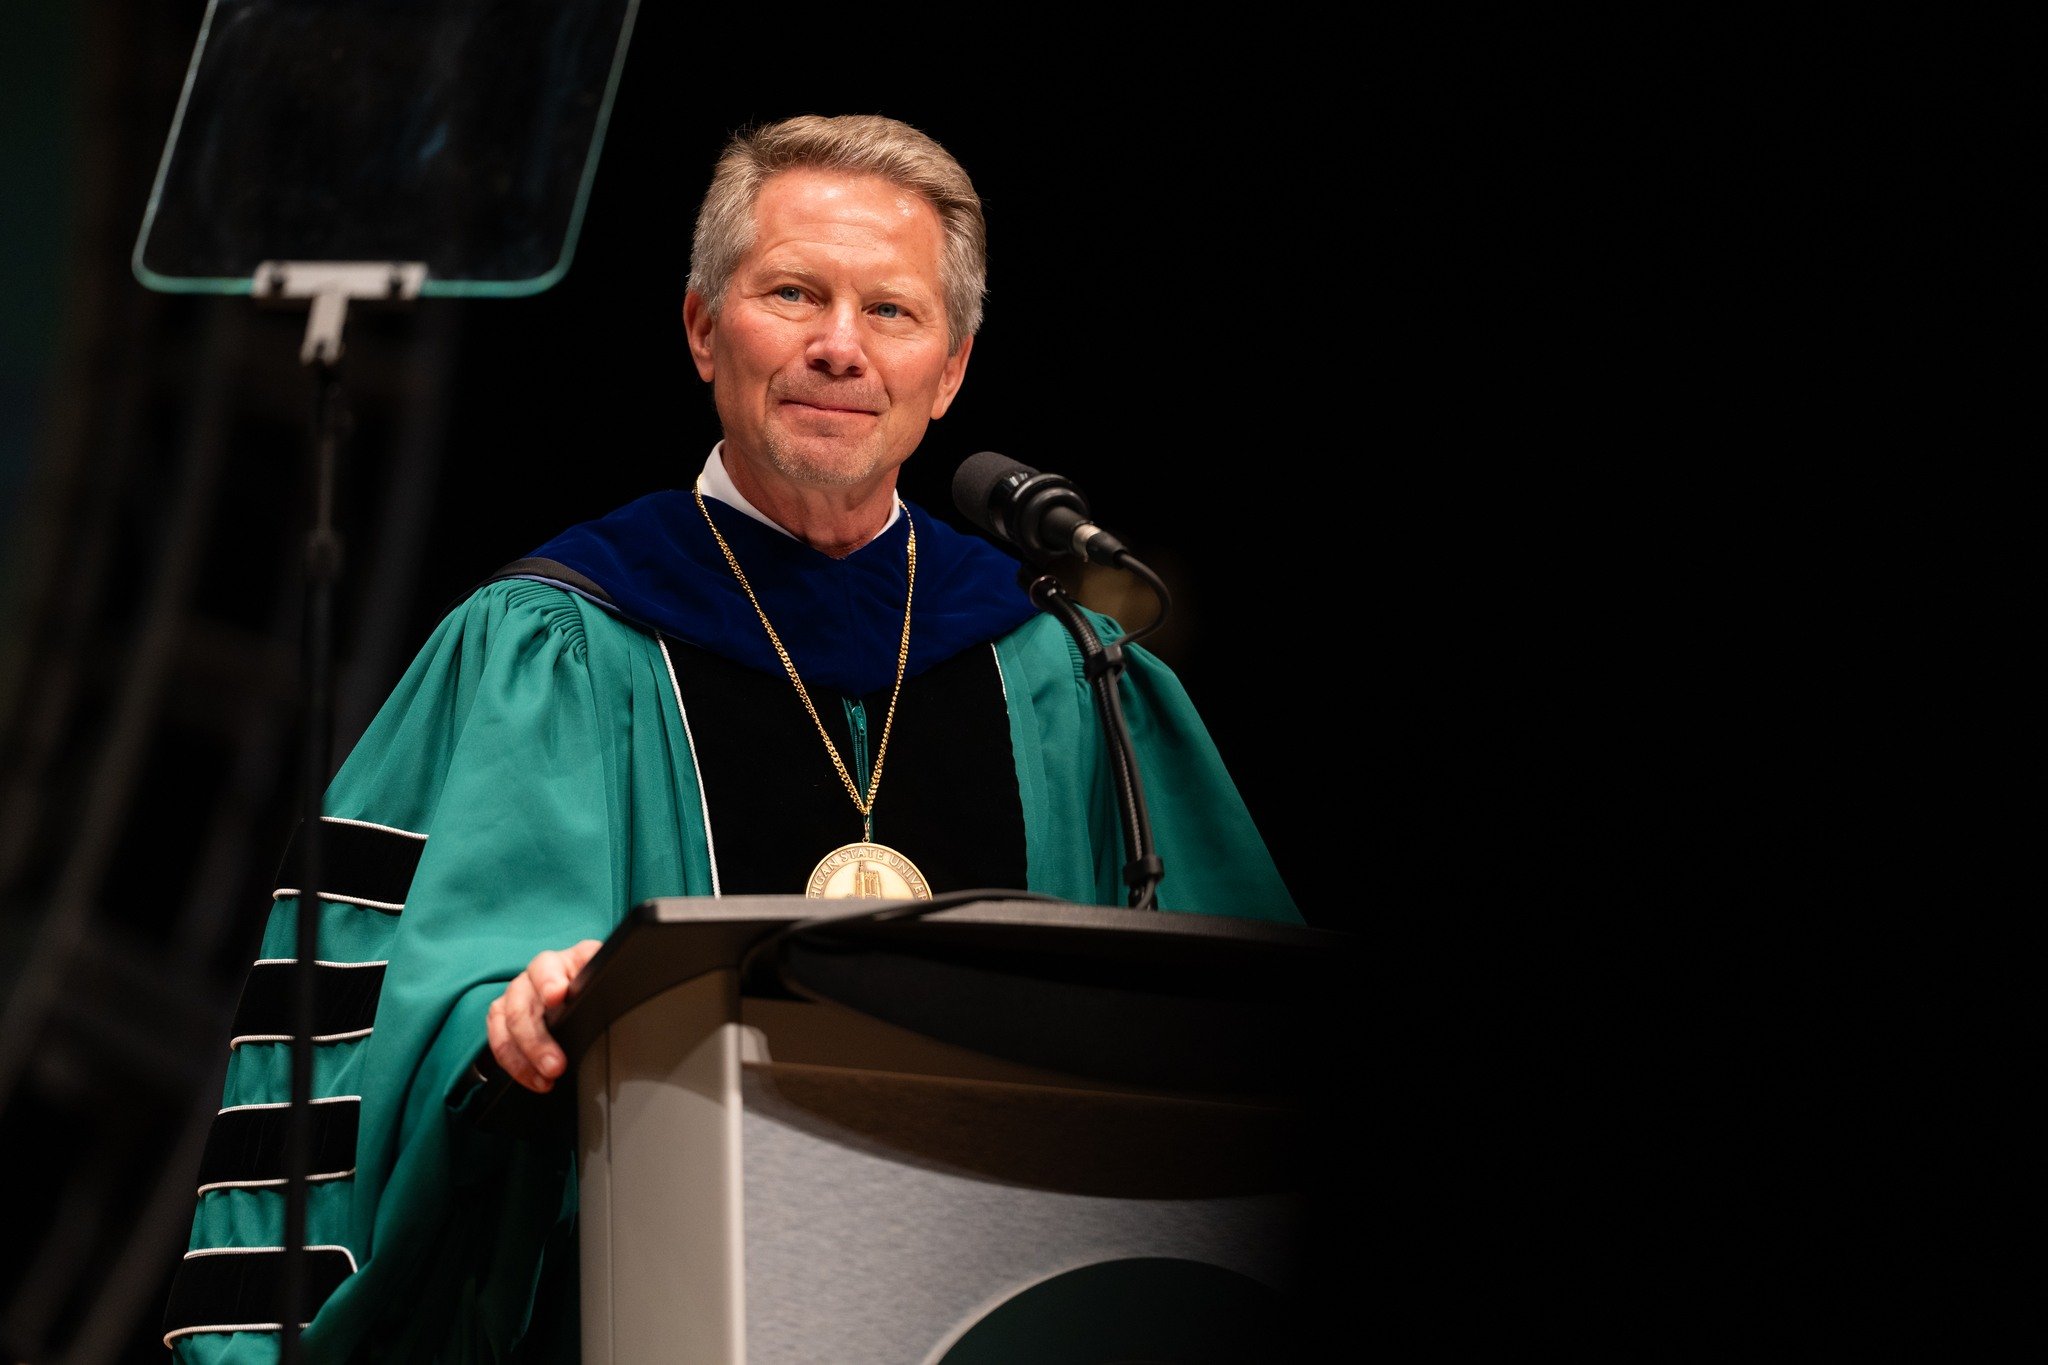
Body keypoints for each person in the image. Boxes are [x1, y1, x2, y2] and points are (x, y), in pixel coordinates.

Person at [163, 113, 1300, 1362]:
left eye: (891, 312)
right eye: (793, 294)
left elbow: (1239, 1037)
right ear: (703, 327)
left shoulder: (1066, 670)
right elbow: (411, 1000)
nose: (838, 348)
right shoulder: (553, 643)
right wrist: (514, 1025)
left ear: (952, 370)